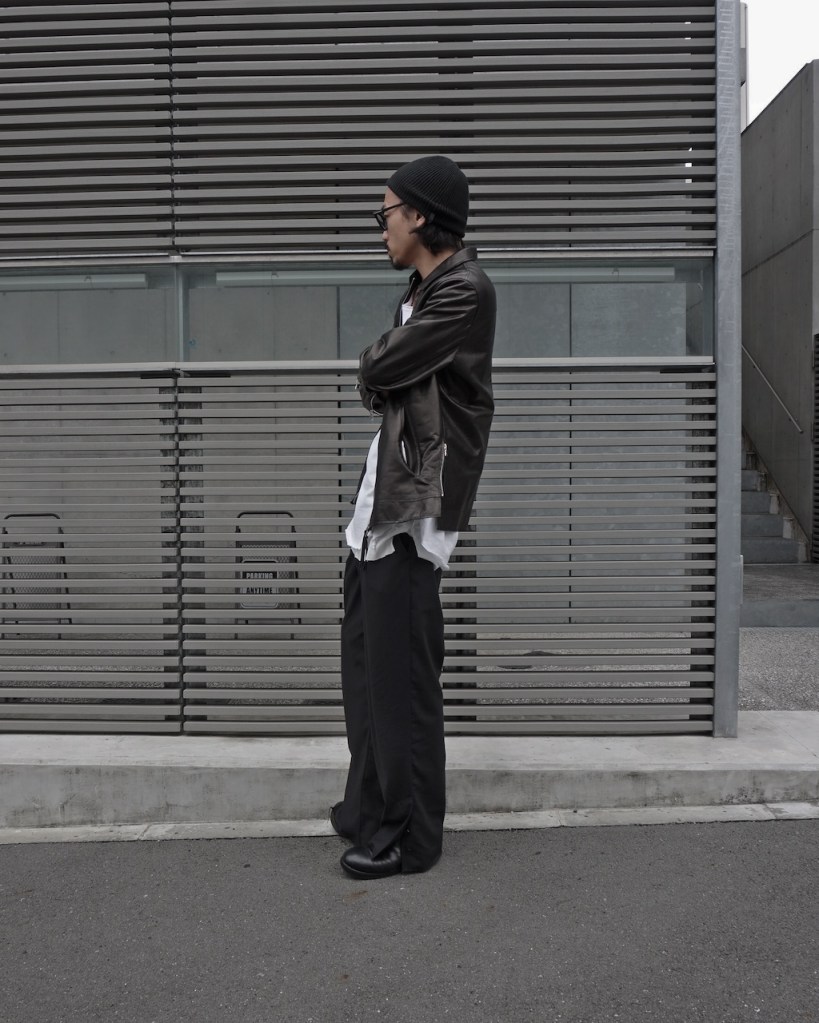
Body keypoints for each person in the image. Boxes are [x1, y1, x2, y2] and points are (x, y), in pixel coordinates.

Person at [331, 155, 496, 880]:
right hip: (381, 510)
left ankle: (410, 836)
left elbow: (376, 369)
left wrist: (379, 366)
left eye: (386, 214)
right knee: (367, 674)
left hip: (413, 515)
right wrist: (383, 367)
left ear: (421, 215)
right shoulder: (422, 292)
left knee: (403, 685)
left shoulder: (463, 290)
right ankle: (370, 809)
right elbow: (384, 377)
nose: (381, 228)